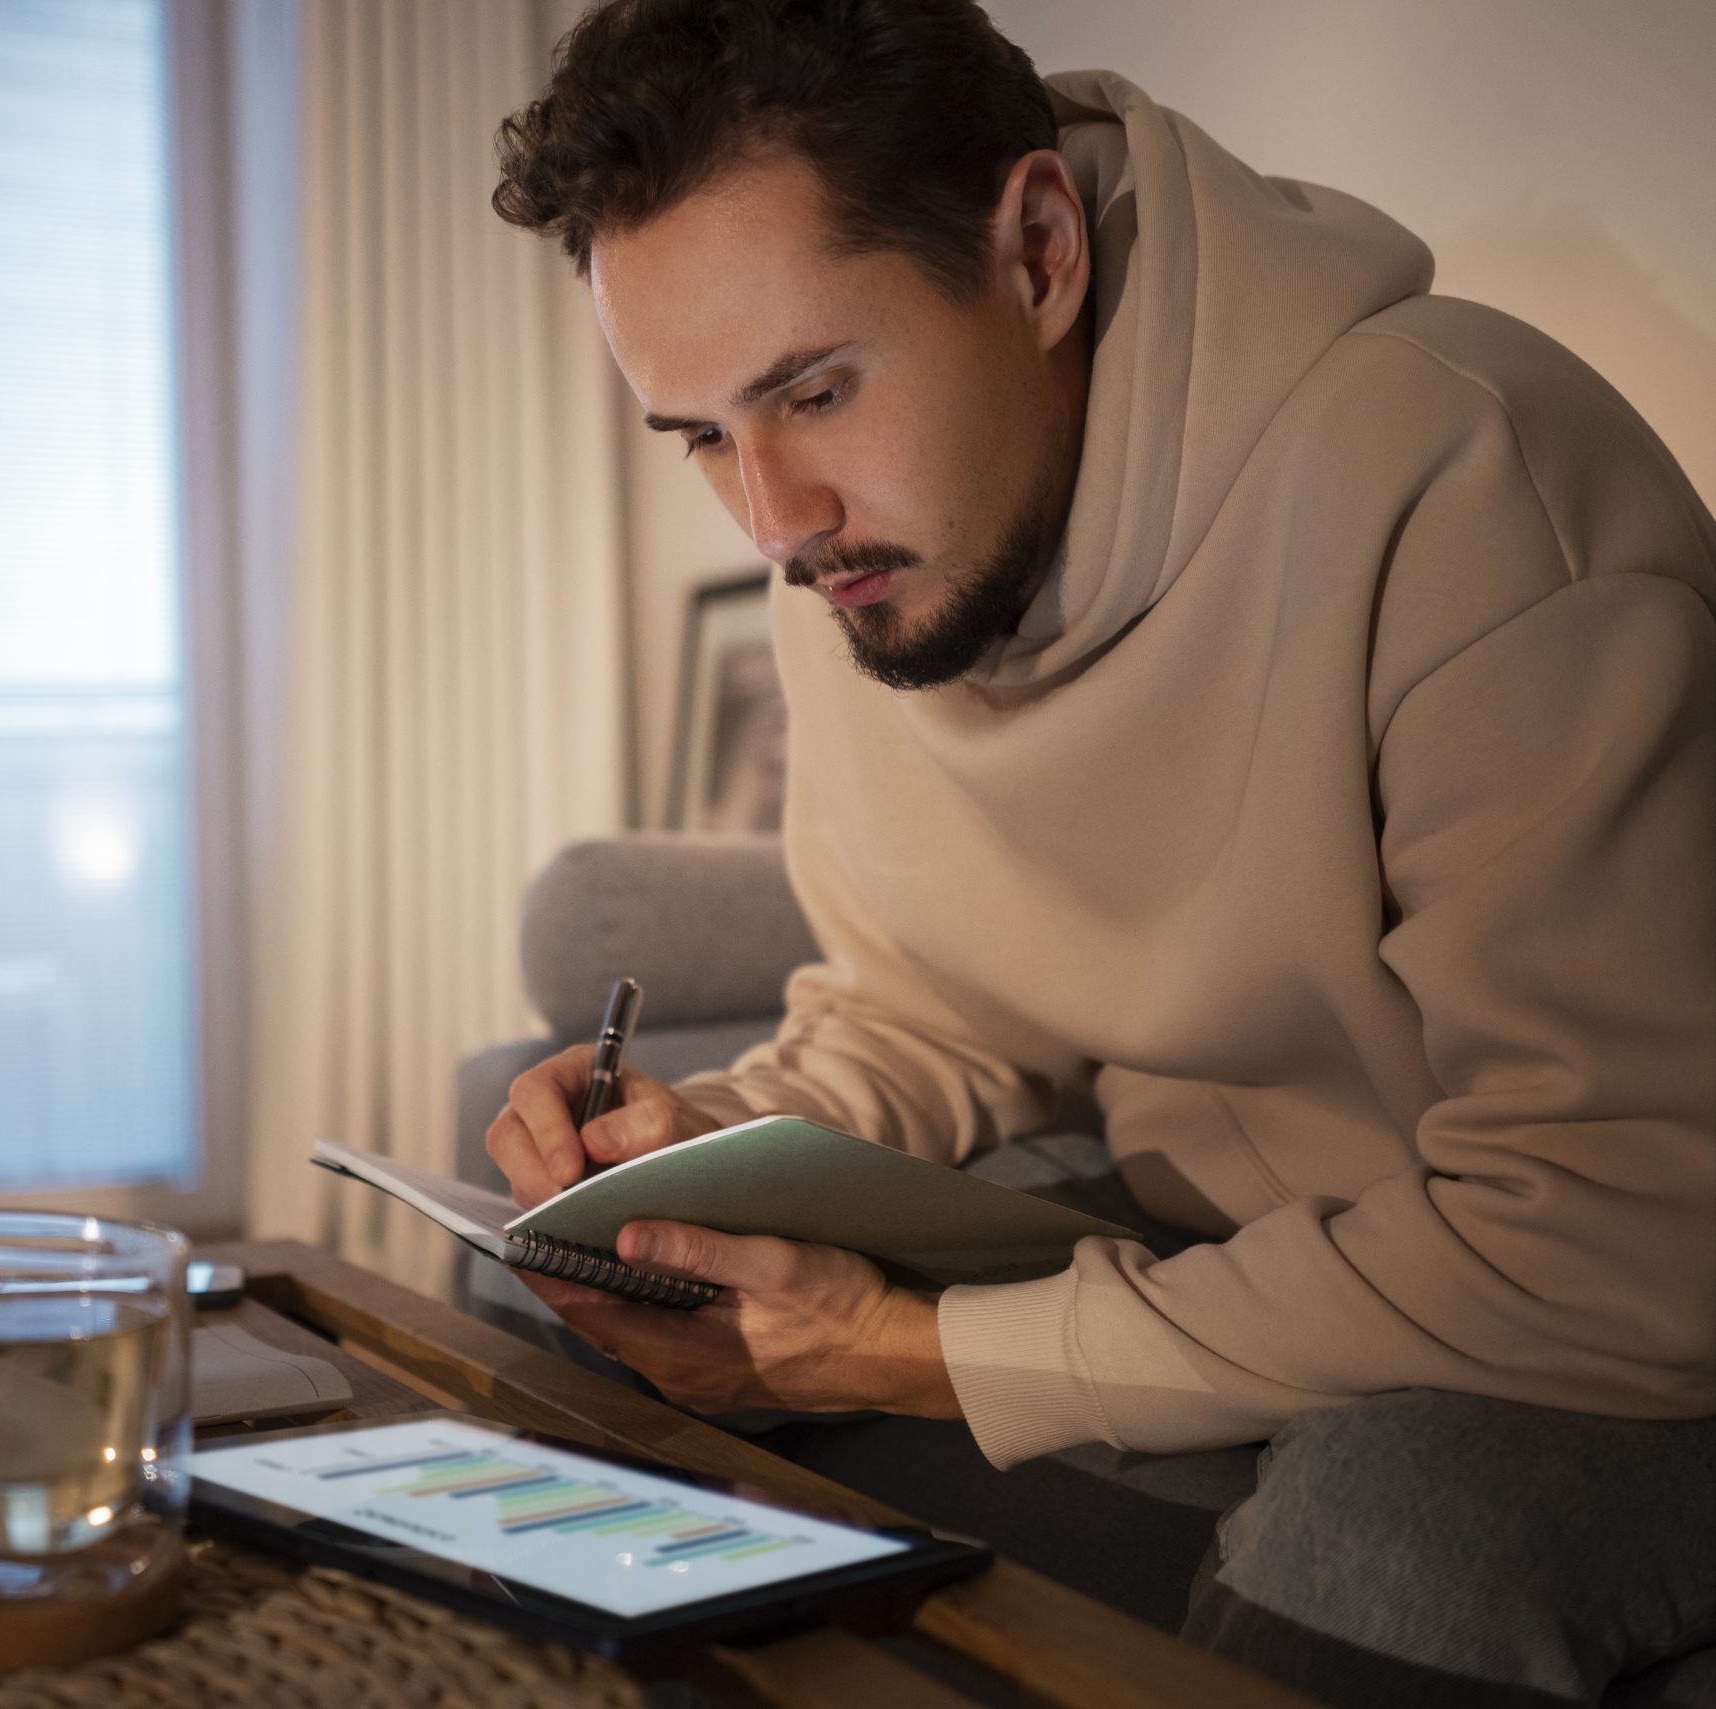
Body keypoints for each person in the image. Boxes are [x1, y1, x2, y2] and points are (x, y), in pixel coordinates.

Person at [481, 3, 1716, 1705]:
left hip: (1592, 1298)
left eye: (815, 390)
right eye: (700, 435)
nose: (771, 518)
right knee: (564, 1305)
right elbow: (927, 1007)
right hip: (1238, 1221)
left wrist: (926, 1351)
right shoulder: (868, 559)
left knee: (1397, 1526)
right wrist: (699, 1158)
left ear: (1041, 251)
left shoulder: (1464, 480)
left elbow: (1619, 1233)